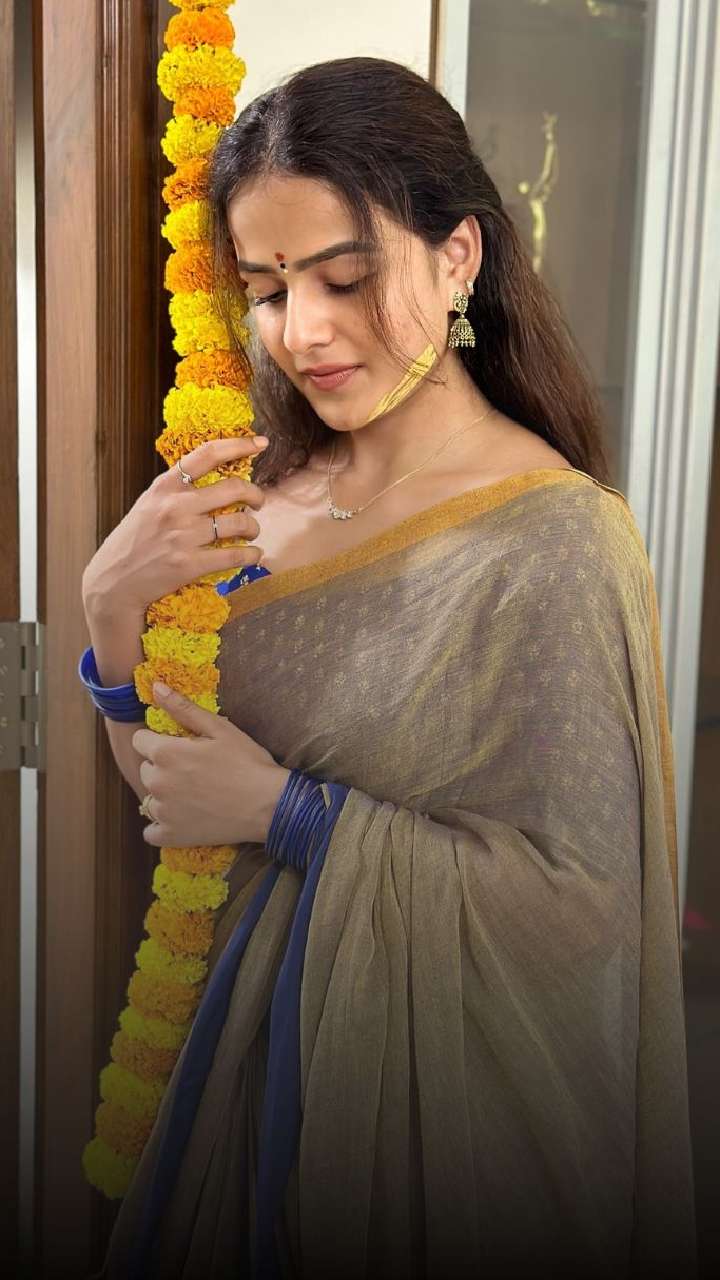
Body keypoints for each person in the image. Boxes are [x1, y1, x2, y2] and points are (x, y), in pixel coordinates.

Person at [89, 56, 696, 1280]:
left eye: (346, 277)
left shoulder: (557, 539)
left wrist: (293, 812)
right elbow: (173, 798)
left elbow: (580, 913)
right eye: (268, 289)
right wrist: (110, 607)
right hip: (224, 1076)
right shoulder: (255, 492)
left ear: (458, 256)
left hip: (400, 1134)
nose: (301, 330)